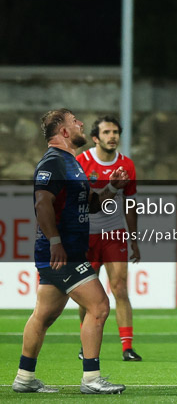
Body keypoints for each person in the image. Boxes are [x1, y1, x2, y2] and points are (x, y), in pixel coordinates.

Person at [13, 109, 128, 395]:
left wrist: (112, 186)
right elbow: (42, 203)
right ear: (63, 131)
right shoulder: (54, 162)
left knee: (43, 315)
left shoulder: (71, 163)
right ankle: (91, 379)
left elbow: (89, 204)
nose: (80, 124)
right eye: (75, 121)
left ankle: (24, 378)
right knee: (99, 306)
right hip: (62, 254)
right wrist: (55, 242)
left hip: (67, 251)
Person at [75, 115, 141, 362]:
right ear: (95, 138)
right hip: (87, 236)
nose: (112, 136)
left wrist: (133, 239)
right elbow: (84, 203)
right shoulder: (82, 162)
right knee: (87, 294)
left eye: (115, 132)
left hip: (114, 235)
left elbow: (131, 203)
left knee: (120, 288)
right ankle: (85, 344)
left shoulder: (127, 165)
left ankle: (127, 347)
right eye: (106, 132)